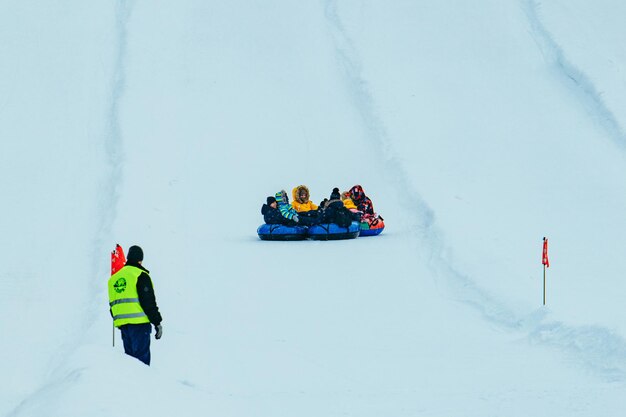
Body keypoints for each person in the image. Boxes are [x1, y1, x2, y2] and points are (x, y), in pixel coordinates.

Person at [108, 245, 163, 365]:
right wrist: (157, 322)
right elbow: (148, 301)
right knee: (141, 364)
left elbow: (112, 305)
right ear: (140, 260)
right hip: (139, 325)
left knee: (130, 365)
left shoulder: (114, 279)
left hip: (123, 326)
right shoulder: (140, 275)